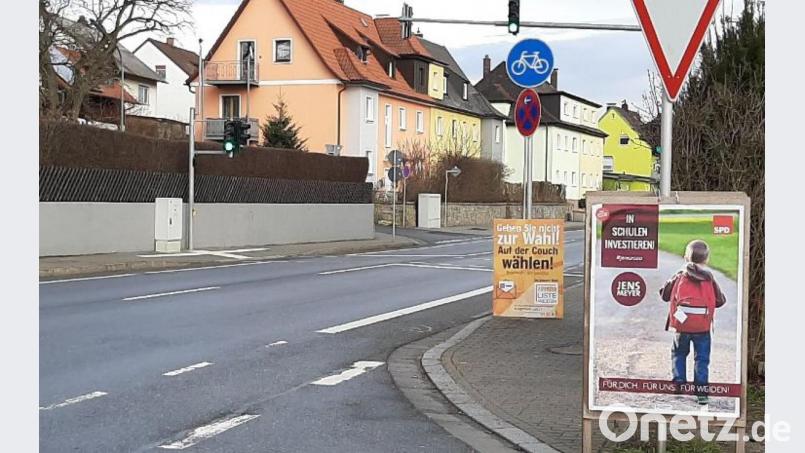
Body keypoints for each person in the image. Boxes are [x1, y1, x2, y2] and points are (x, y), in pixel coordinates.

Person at [659, 239, 726, 405]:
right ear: (707, 260)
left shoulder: (679, 276)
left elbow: (664, 295)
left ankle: (679, 384)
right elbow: (720, 301)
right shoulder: (709, 279)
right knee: (701, 359)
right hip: (702, 327)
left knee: (679, 353)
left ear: (685, 258)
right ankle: (701, 393)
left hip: (682, 325)